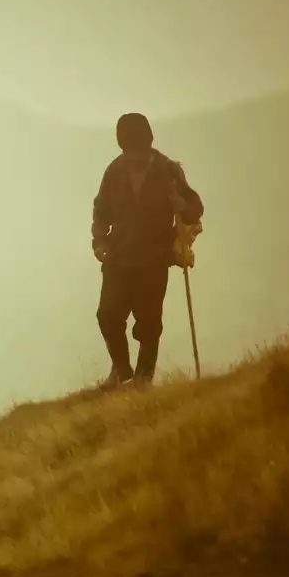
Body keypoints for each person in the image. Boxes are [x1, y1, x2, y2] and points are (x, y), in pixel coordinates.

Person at [90, 112, 204, 388]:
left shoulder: (168, 171)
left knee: (149, 320)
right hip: (118, 257)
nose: (134, 156)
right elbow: (101, 210)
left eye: (138, 149)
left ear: (149, 142)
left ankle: (143, 378)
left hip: (153, 259)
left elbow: (195, 208)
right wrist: (99, 240)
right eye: (128, 150)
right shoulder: (114, 171)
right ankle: (121, 370)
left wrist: (182, 205)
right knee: (108, 315)